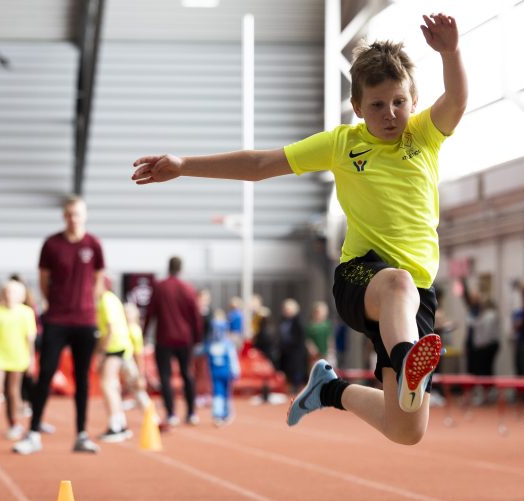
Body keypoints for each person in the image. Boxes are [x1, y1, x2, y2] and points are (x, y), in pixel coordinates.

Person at [132, 13, 466, 445]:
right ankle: (406, 364)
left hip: (415, 295)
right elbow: (259, 164)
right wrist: (183, 166)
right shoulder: (342, 144)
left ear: (414, 100)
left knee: (406, 430)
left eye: (399, 102)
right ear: (357, 108)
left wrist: (451, 53)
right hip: (361, 276)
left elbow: (457, 99)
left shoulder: (423, 137)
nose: (390, 114)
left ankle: (330, 389)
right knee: (397, 283)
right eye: (377, 105)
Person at [13, 195, 105, 455]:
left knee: (82, 380)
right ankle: (33, 433)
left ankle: (81, 435)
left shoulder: (94, 244)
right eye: (69, 214)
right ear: (64, 216)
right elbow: (44, 281)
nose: (73, 219)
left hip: (85, 321)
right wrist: (56, 303)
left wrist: (88, 303)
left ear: (84, 215)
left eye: (77, 214)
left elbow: (98, 279)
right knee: (45, 374)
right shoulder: (51, 244)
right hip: (57, 319)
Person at [143, 256, 203, 427]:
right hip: (184, 339)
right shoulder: (188, 288)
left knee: (165, 376)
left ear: (168, 267)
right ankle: (191, 413)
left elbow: (150, 313)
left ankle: (171, 414)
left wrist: (144, 333)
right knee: (187, 374)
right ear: (181, 269)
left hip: (164, 338)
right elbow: (195, 316)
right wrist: (197, 338)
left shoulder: (159, 287)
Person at [0, 280, 36, 440]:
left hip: (18, 357)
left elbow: (30, 339)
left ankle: (13, 424)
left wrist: (32, 359)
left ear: (21, 296)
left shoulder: (27, 313)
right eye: (7, 292)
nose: (9, 295)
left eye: (13, 292)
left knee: (13, 391)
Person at [95, 276, 135, 441]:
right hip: (118, 345)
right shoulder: (112, 299)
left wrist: (102, 352)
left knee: (107, 384)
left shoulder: (106, 300)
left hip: (114, 346)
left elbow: (110, 328)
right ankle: (120, 423)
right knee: (112, 384)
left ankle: (115, 426)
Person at [206, 311, 241, 426]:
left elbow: (232, 359)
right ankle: (218, 413)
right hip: (216, 373)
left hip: (225, 373)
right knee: (218, 392)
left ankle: (226, 412)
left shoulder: (227, 345)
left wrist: (235, 371)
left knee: (225, 393)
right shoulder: (211, 345)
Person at [277, 298, 308, 393]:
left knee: (296, 370)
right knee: (287, 371)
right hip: (286, 351)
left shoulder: (298, 321)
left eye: (288, 309)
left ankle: (296, 387)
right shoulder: (283, 321)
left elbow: (300, 337)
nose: (286, 311)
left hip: (296, 352)